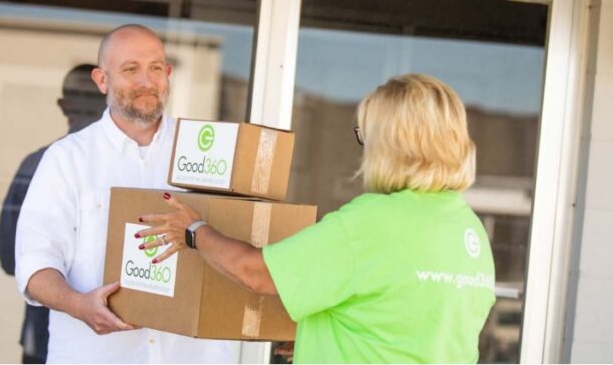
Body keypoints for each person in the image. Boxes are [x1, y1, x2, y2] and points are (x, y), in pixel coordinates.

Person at [139, 74, 497, 363]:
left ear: (391, 143)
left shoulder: (373, 221)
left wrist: (193, 230)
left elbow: (255, 272)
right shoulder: (468, 229)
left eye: (365, 135)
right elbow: (408, 323)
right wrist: (324, 338)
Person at [14, 25, 237, 363]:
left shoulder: (208, 153)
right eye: (131, 69)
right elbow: (34, 264)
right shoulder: (68, 159)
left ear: (169, 74)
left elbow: (242, 244)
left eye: (156, 68)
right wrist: (78, 304)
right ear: (102, 80)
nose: (147, 81)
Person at [0, 64, 106, 363]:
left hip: (108, 341)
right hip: (45, 332)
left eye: (91, 96)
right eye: (80, 95)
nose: (86, 104)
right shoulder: (37, 166)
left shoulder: (34, 164)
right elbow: (13, 258)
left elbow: (9, 256)